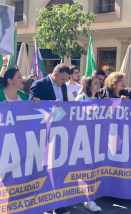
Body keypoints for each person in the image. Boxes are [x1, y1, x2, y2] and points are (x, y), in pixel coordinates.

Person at [30, 64, 71, 214]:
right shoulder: (39, 84)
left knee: (58, 169)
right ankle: (46, 204)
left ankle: (57, 203)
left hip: (59, 131)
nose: (63, 82)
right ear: (54, 75)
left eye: (66, 80)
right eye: (62, 79)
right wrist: (51, 104)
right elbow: (32, 103)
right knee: (44, 170)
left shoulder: (64, 87)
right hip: (43, 132)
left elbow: (65, 106)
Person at [74, 76, 103, 212]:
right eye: (96, 83)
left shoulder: (102, 100)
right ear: (88, 85)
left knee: (93, 168)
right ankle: (86, 199)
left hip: (97, 138)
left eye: (99, 83)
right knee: (84, 168)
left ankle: (89, 197)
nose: (99, 85)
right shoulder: (81, 99)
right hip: (82, 138)